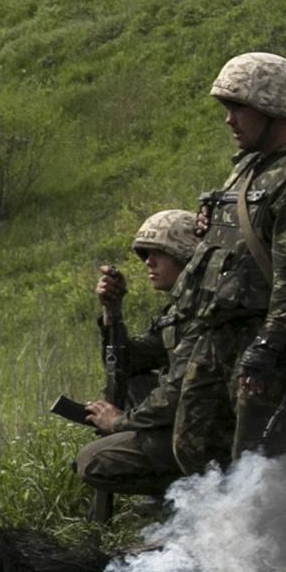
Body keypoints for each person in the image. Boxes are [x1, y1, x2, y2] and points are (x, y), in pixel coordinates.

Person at [166, 53, 286, 474]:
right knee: (195, 451)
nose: (229, 120)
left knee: (259, 467)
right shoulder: (250, 171)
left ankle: (277, 536)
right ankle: (218, 533)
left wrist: (266, 349)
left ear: (271, 109)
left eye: (238, 108)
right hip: (217, 335)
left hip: (261, 343)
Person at [73, 209, 205, 501]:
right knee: (133, 384)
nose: (149, 262)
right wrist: (112, 312)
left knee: (92, 462)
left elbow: (180, 390)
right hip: (191, 417)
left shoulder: (204, 310)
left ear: (186, 256)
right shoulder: (180, 309)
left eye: (159, 253)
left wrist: (120, 422)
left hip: (208, 430)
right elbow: (127, 364)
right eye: (145, 254)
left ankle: (188, 496)